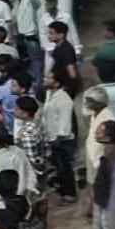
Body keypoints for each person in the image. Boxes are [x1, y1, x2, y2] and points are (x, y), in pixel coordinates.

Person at [42, 70, 76, 204]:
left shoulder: (63, 99)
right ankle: (63, 189)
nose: (44, 79)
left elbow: (64, 121)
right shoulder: (50, 94)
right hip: (53, 138)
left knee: (64, 167)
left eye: (48, 78)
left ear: (56, 83)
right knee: (59, 166)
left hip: (61, 140)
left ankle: (70, 194)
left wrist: (58, 139)